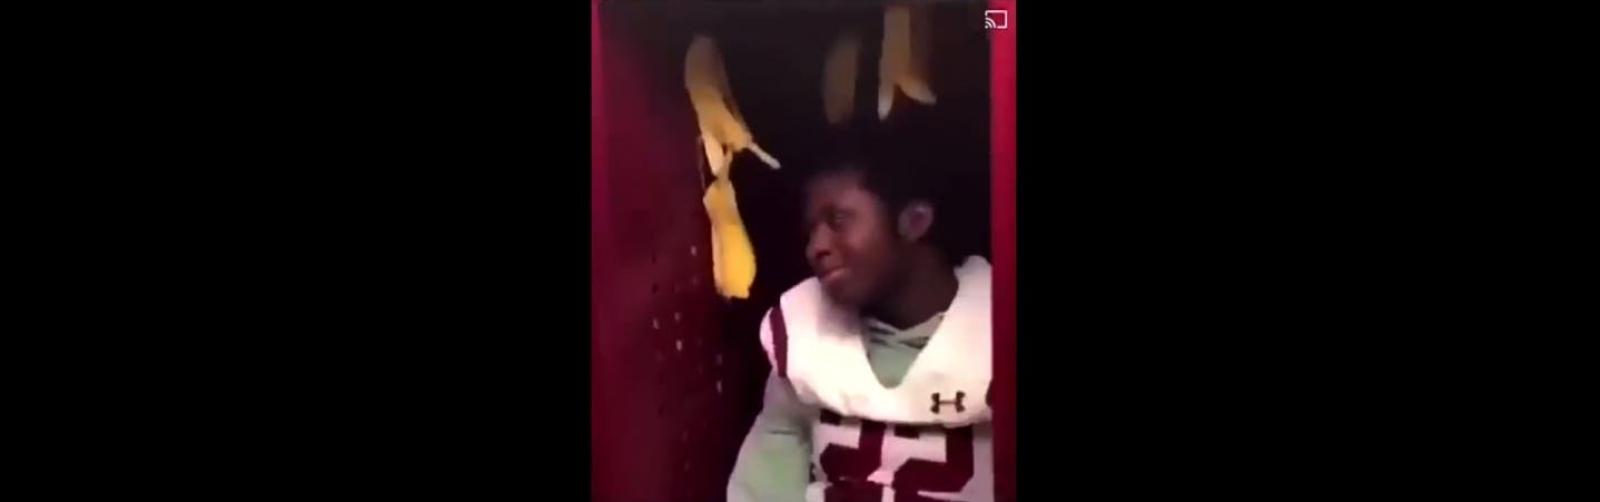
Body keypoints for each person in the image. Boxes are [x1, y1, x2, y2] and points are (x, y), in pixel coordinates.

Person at [727, 143, 993, 502]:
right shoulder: (803, 336)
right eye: (811, 231)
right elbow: (762, 489)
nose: (816, 247)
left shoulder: (995, 325)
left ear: (914, 222)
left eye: (837, 221)